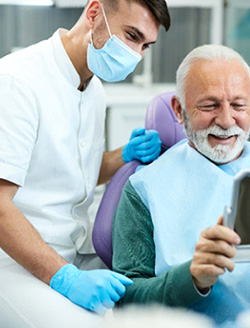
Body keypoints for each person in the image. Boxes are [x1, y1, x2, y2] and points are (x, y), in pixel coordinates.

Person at [0, 0, 171, 326]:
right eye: (131, 36)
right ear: (94, 14)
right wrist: (66, 278)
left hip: (72, 251)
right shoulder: (17, 81)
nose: (136, 55)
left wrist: (123, 155)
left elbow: (72, 174)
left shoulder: (92, 89)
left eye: (145, 45)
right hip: (13, 263)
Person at [112, 44, 250, 327]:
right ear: (179, 109)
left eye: (238, 105)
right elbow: (125, 299)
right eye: (210, 106)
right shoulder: (144, 189)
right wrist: (192, 278)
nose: (226, 121)